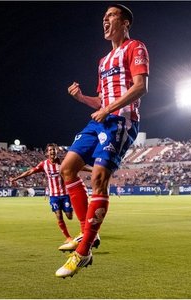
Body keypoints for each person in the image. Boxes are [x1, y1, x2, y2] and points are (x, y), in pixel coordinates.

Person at [55, 3, 149, 278]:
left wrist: (108, 109)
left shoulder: (136, 47)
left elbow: (140, 87)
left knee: (98, 177)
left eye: (111, 16)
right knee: (67, 167)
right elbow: (101, 100)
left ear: (125, 22)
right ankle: (88, 235)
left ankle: (83, 252)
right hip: (100, 119)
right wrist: (82, 98)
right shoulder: (103, 61)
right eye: (104, 17)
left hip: (122, 119)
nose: (105, 21)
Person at [10, 143, 91, 250]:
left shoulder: (63, 162)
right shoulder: (44, 164)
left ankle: (82, 229)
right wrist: (16, 178)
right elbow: (31, 171)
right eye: (50, 150)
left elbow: (78, 166)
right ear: (47, 153)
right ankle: (68, 237)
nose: (52, 152)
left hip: (65, 194)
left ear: (56, 151)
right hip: (54, 196)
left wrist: (93, 169)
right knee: (58, 215)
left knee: (69, 216)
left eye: (54, 150)